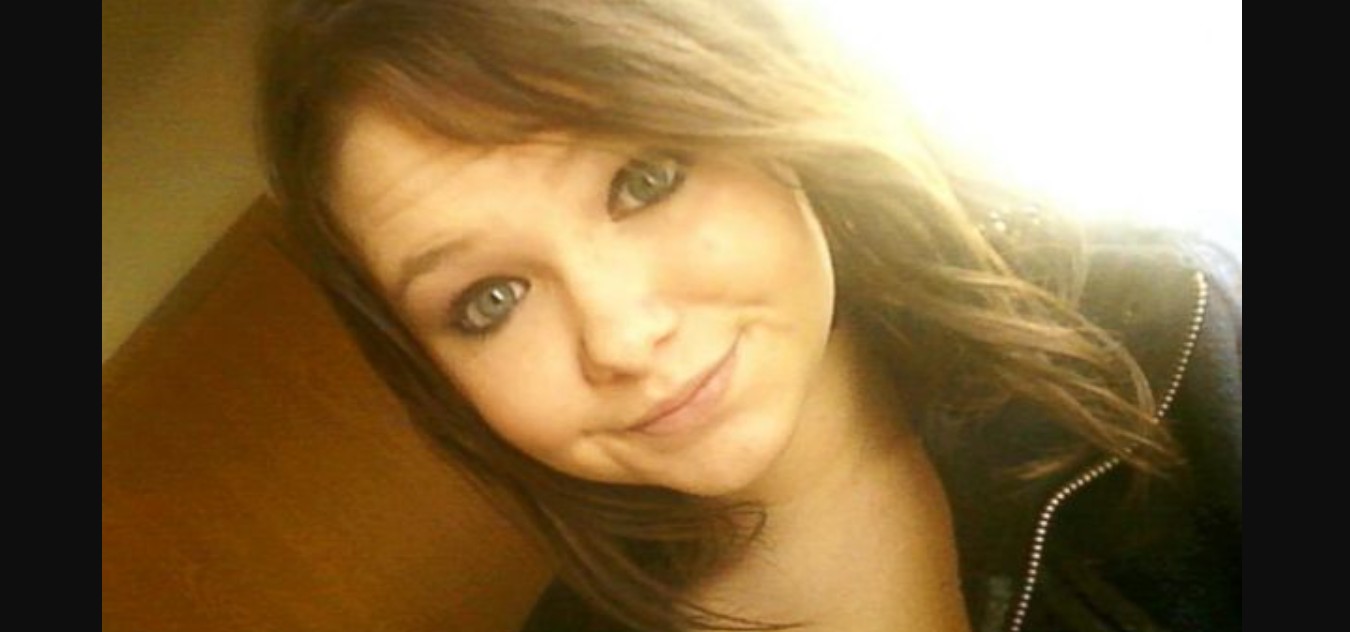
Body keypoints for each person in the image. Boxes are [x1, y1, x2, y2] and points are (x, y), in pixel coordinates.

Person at [257, 1, 1241, 630]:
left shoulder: (1153, 344)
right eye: (491, 300)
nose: (622, 337)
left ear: (768, 124)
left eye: (645, 180)